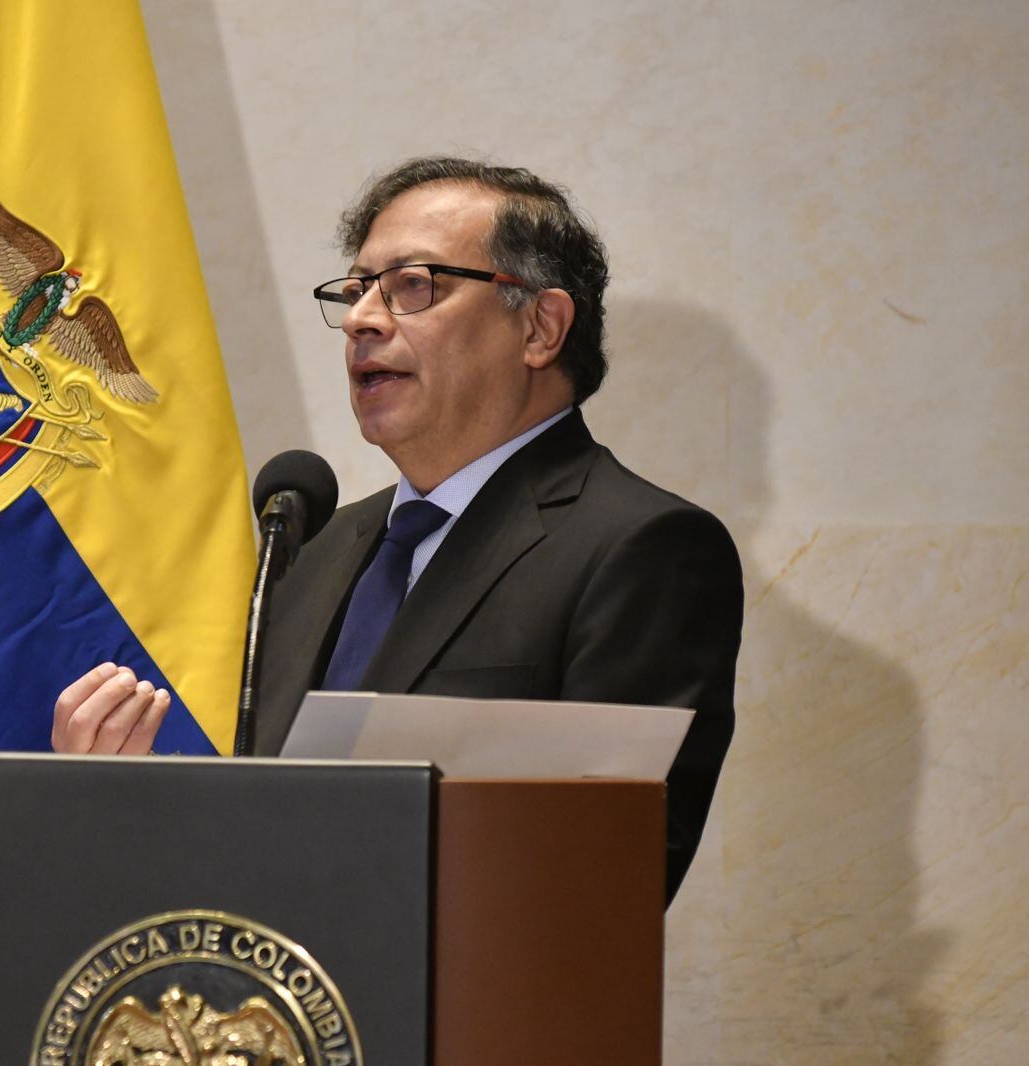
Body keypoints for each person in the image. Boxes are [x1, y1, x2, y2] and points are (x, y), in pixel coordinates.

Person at [52, 157, 743, 903]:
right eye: (355, 291)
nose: (361, 319)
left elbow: (609, 879)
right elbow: (276, 826)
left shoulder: (642, 550)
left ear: (541, 327)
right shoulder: (316, 545)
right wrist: (124, 795)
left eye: (414, 285)